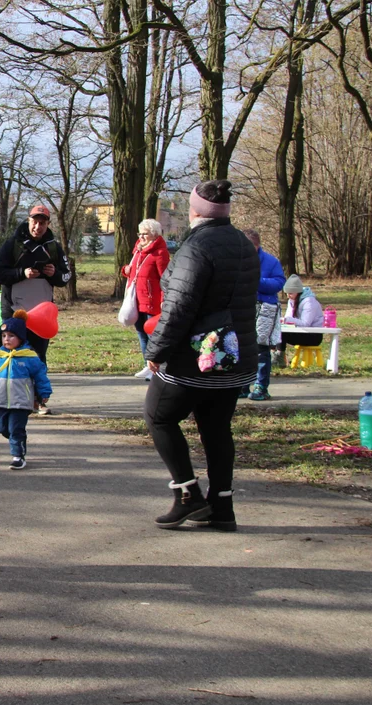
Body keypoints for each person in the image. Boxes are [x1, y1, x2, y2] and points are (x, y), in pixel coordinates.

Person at [143, 179, 258, 532]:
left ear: (195, 210)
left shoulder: (196, 248)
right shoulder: (243, 244)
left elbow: (178, 307)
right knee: (216, 428)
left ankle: (188, 495)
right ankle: (222, 506)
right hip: (235, 354)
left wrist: (157, 350)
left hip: (197, 357)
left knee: (158, 415)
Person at [0, 204, 70, 413]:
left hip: (41, 311)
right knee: (10, 352)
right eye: (34, 222)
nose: (38, 226)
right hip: (14, 309)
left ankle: (37, 400)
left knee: (38, 356)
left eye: (42, 223)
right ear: (28, 221)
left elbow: (65, 277)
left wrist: (54, 273)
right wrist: (21, 273)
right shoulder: (12, 244)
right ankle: (6, 396)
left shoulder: (53, 247)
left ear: (47, 224)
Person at [0, 310, 52, 470]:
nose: (6, 339)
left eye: (11, 336)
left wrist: (44, 393)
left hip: (21, 401)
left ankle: (18, 456)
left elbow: (40, 376)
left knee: (15, 428)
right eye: (4, 336)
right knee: (1, 427)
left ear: (21, 338)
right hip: (1, 400)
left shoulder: (29, 356)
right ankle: (17, 440)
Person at [122, 218, 171, 381]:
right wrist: (126, 271)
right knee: (141, 334)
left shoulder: (160, 253)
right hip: (137, 300)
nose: (141, 237)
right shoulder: (138, 250)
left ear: (155, 234)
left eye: (145, 234)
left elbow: (166, 278)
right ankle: (147, 365)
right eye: (140, 233)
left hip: (152, 301)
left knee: (154, 336)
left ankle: (158, 368)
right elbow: (135, 272)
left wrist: (164, 299)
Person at [244, 230, 286, 401]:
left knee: (261, 348)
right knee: (241, 347)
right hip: (243, 307)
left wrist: (257, 281)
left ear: (257, 245)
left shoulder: (270, 261)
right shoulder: (237, 259)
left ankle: (261, 385)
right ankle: (242, 384)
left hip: (265, 307)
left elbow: (279, 282)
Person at [280, 274, 325, 351]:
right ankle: (277, 354)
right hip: (300, 331)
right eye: (286, 293)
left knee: (281, 334)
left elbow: (305, 323)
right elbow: (289, 317)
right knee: (277, 331)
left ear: (298, 292)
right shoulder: (292, 301)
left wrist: (287, 320)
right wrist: (283, 322)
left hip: (313, 335)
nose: (288, 296)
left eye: (290, 293)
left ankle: (280, 356)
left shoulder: (309, 302)